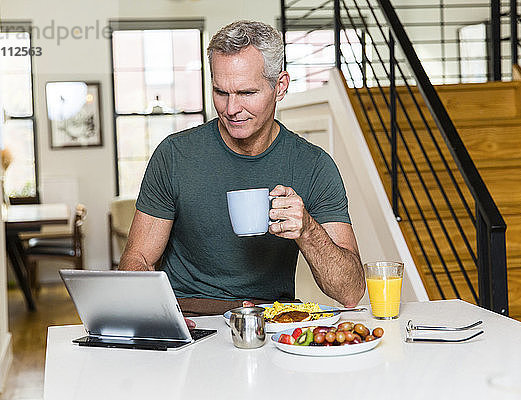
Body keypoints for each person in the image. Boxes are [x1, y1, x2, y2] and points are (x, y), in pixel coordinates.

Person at [119, 20, 364, 318]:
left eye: (247, 93)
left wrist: (308, 230)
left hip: (272, 320)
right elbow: (138, 259)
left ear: (280, 86)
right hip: (189, 317)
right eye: (221, 92)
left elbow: (350, 292)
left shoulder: (313, 165)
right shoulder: (174, 156)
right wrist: (158, 317)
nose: (231, 109)